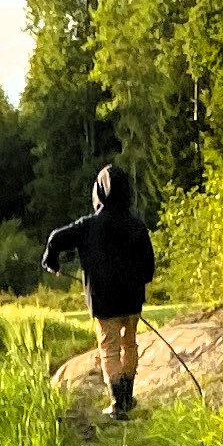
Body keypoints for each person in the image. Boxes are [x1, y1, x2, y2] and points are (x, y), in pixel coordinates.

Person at [42, 164, 158, 419]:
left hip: (103, 299)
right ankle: (127, 397)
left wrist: (51, 261)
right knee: (129, 344)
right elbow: (149, 263)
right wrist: (142, 281)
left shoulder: (87, 226)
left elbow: (55, 238)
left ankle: (118, 403)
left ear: (100, 192)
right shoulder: (137, 226)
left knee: (109, 348)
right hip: (131, 298)